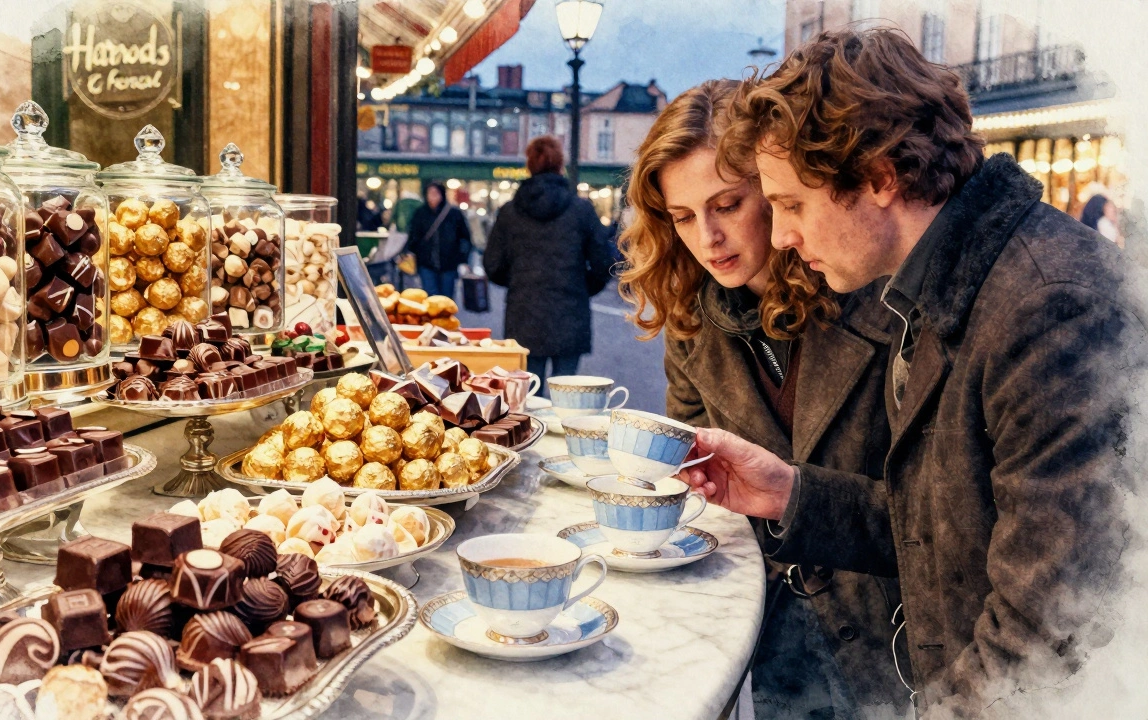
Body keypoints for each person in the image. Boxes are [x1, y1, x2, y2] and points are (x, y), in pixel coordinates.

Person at [683, 28, 1144, 716]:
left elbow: (1051, 635)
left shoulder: (1049, 305)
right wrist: (791, 493)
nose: (780, 237)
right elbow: (939, 529)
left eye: (790, 204)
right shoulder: (947, 285)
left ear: (878, 177)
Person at [620, 80, 909, 717]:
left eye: (727, 204)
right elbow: (701, 492)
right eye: (683, 216)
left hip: (896, 639)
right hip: (779, 636)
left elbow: (936, 515)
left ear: (777, 193)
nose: (708, 238)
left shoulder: (873, 293)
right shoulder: (692, 319)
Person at [484, 136, 616, 386]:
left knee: (527, 396)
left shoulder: (510, 212)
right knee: (565, 394)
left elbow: (493, 265)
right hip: (570, 311)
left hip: (523, 312)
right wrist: (582, 287)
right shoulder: (581, 210)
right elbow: (603, 263)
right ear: (560, 165)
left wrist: (519, 281)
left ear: (529, 166)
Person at [405, 181, 471, 297]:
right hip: (426, 263)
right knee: (431, 298)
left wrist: (462, 259)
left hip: (449, 263)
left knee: (446, 298)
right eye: (430, 193)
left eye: (436, 193)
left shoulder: (454, 214)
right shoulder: (420, 213)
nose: (433, 196)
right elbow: (414, 236)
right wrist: (413, 252)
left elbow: (464, 237)